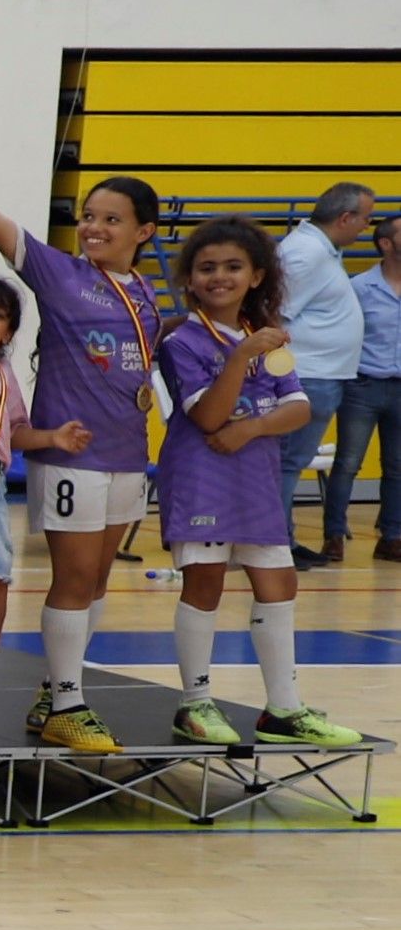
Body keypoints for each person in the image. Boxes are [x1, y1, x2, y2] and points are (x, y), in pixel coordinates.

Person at [0, 149, 159, 754]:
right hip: (71, 457)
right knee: (73, 577)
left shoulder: (146, 294)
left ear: (144, 232)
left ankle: (55, 689)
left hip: (128, 452)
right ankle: (68, 707)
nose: (94, 228)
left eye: (111, 220)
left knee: (97, 580)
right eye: (88, 216)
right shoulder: (59, 273)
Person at [156, 216, 360, 748]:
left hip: (255, 478)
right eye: (207, 268)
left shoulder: (262, 336)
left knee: (279, 583)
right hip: (202, 477)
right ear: (189, 278)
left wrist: (250, 428)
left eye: (232, 267)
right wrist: (241, 360)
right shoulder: (183, 340)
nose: (219, 277)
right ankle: (195, 704)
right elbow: (208, 417)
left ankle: (283, 710)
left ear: (256, 275)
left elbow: (299, 408)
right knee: (205, 583)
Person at [276, 184, 377, 566]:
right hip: (306, 374)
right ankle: (275, 545)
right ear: (345, 218)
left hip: (320, 375)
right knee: (285, 463)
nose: (367, 226)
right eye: (365, 218)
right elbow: (274, 312)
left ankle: (282, 539)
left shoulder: (320, 250)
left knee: (290, 463)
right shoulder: (306, 253)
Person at [328, 213, 401, 564]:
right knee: (348, 462)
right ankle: (333, 535)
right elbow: (343, 334)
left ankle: (392, 537)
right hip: (364, 385)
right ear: (386, 244)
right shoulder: (360, 287)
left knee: (398, 466)